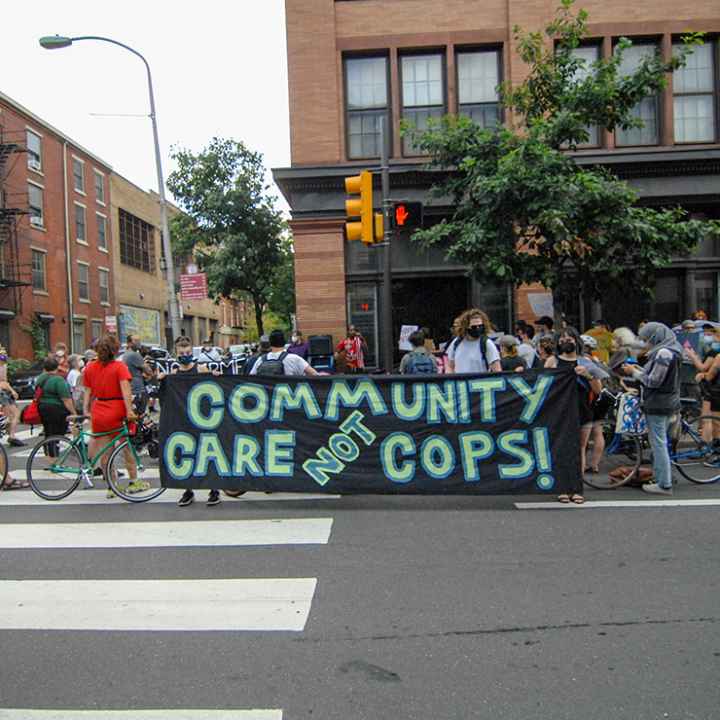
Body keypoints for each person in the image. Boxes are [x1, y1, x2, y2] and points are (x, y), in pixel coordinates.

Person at [622, 322, 682, 496]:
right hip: (669, 402)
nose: (646, 343)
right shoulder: (673, 348)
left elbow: (654, 381)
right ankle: (664, 475)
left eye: (647, 339)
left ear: (655, 337)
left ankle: (664, 484)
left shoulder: (664, 353)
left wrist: (634, 372)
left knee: (659, 444)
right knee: (662, 442)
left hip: (659, 403)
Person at [162, 336, 223, 507]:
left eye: (188, 352)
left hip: (203, 420)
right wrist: (162, 379)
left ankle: (214, 489)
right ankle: (188, 491)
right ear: (176, 353)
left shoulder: (201, 369)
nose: (185, 355)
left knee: (207, 454)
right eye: (182, 353)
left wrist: (217, 376)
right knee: (185, 456)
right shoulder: (174, 374)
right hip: (182, 421)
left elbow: (217, 384)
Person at [544, 327, 603, 504]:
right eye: (562, 338)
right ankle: (562, 487)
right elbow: (542, 387)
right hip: (559, 412)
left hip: (582, 410)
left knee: (580, 448)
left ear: (577, 341)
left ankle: (577, 489)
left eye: (570, 337)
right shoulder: (552, 362)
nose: (566, 340)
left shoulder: (586, 362)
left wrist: (587, 374)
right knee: (561, 448)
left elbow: (598, 390)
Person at [82, 334, 144, 498]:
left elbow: (87, 391)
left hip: (99, 410)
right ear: (115, 350)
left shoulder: (90, 367)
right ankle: (133, 482)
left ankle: (112, 486)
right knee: (126, 447)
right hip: (116, 409)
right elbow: (125, 390)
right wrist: (129, 410)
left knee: (105, 451)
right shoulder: (119, 367)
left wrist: (85, 409)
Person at [36, 356, 75, 449]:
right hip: (56, 409)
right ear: (57, 367)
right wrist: (74, 412)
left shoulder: (40, 378)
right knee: (58, 433)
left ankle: (48, 453)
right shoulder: (58, 380)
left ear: (45, 368)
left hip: (42, 406)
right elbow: (66, 399)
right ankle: (54, 453)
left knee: (48, 432)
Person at [446, 309, 501, 374]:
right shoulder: (456, 342)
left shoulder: (487, 343)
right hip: (460, 382)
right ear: (466, 327)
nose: (478, 329)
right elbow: (450, 366)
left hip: (480, 382)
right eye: (474, 327)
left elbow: (497, 370)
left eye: (480, 326)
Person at [250, 330, 320, 377]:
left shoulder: (261, 360)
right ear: (284, 342)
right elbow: (314, 375)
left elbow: (250, 379)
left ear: (270, 343)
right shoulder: (295, 359)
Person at [0, 349, 24, 447]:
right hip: (3, 392)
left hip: (4, 392)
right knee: (15, 414)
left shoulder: (3, 366)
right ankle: (12, 436)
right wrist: (12, 391)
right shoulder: (2, 366)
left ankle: (10, 434)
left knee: (9, 416)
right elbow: (2, 382)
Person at [121, 334, 147, 414]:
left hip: (131, 389)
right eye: (135, 341)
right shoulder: (135, 354)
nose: (138, 343)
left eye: (139, 340)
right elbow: (148, 371)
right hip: (138, 389)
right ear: (129, 343)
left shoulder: (125, 354)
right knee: (139, 415)